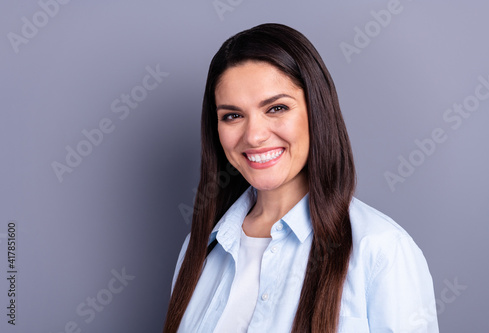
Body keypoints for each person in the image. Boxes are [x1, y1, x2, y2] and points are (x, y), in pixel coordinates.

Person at [163, 23, 439, 333]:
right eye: (232, 115)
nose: (253, 136)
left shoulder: (381, 250)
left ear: (316, 110)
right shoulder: (199, 249)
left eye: (276, 108)